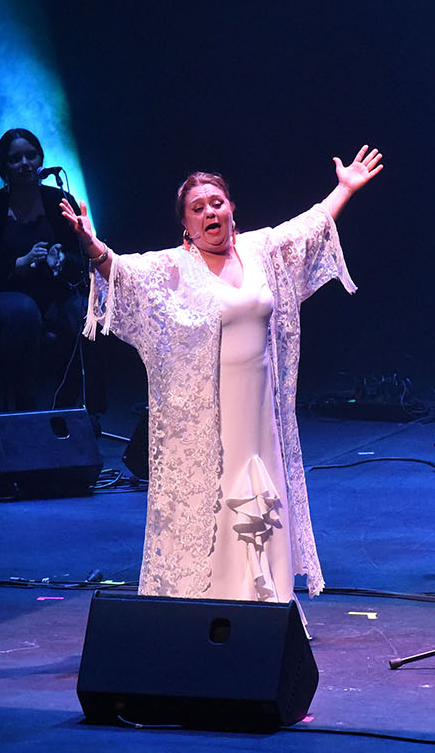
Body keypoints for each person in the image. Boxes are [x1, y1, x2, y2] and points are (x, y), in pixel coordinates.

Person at [60, 145, 383, 613]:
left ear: (232, 209)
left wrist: (344, 188)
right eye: (198, 208)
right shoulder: (174, 268)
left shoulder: (261, 250)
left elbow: (309, 227)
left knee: (263, 495)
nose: (210, 211)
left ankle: (267, 604)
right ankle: (212, 604)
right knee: (221, 497)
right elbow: (123, 274)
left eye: (217, 202)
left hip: (261, 413)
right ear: (186, 226)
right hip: (210, 420)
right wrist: (91, 245)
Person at [0, 128, 92, 412]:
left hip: (51, 291)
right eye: (15, 158)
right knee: (24, 311)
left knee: (83, 312)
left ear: (41, 160)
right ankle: (26, 408)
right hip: (1, 294)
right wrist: (18, 265)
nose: (25, 164)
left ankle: (78, 408)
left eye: (31, 156)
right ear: (4, 167)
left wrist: (63, 259)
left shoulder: (60, 201)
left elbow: (82, 259)